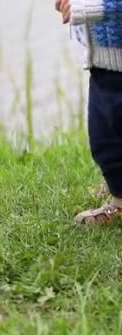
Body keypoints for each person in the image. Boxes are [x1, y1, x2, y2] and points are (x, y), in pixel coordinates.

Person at [55, 0, 122, 224]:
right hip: (104, 63)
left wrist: (85, 7)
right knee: (103, 133)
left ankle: (120, 202)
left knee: (110, 142)